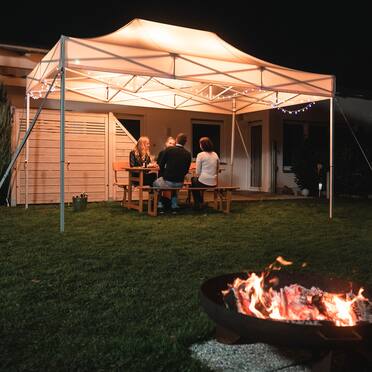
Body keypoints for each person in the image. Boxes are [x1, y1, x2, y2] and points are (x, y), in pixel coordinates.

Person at [153, 133, 192, 213]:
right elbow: (186, 171)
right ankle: (174, 204)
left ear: (176, 140)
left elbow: (160, 166)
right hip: (180, 183)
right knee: (171, 183)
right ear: (185, 142)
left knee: (155, 183)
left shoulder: (168, 150)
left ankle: (160, 204)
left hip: (168, 182)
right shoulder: (188, 154)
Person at [191, 137, 220, 210]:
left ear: (202, 145)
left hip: (204, 182)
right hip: (214, 182)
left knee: (193, 181)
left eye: (200, 144)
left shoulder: (200, 155)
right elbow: (217, 168)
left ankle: (198, 203)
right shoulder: (215, 154)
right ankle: (200, 201)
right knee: (195, 182)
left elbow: (197, 172)